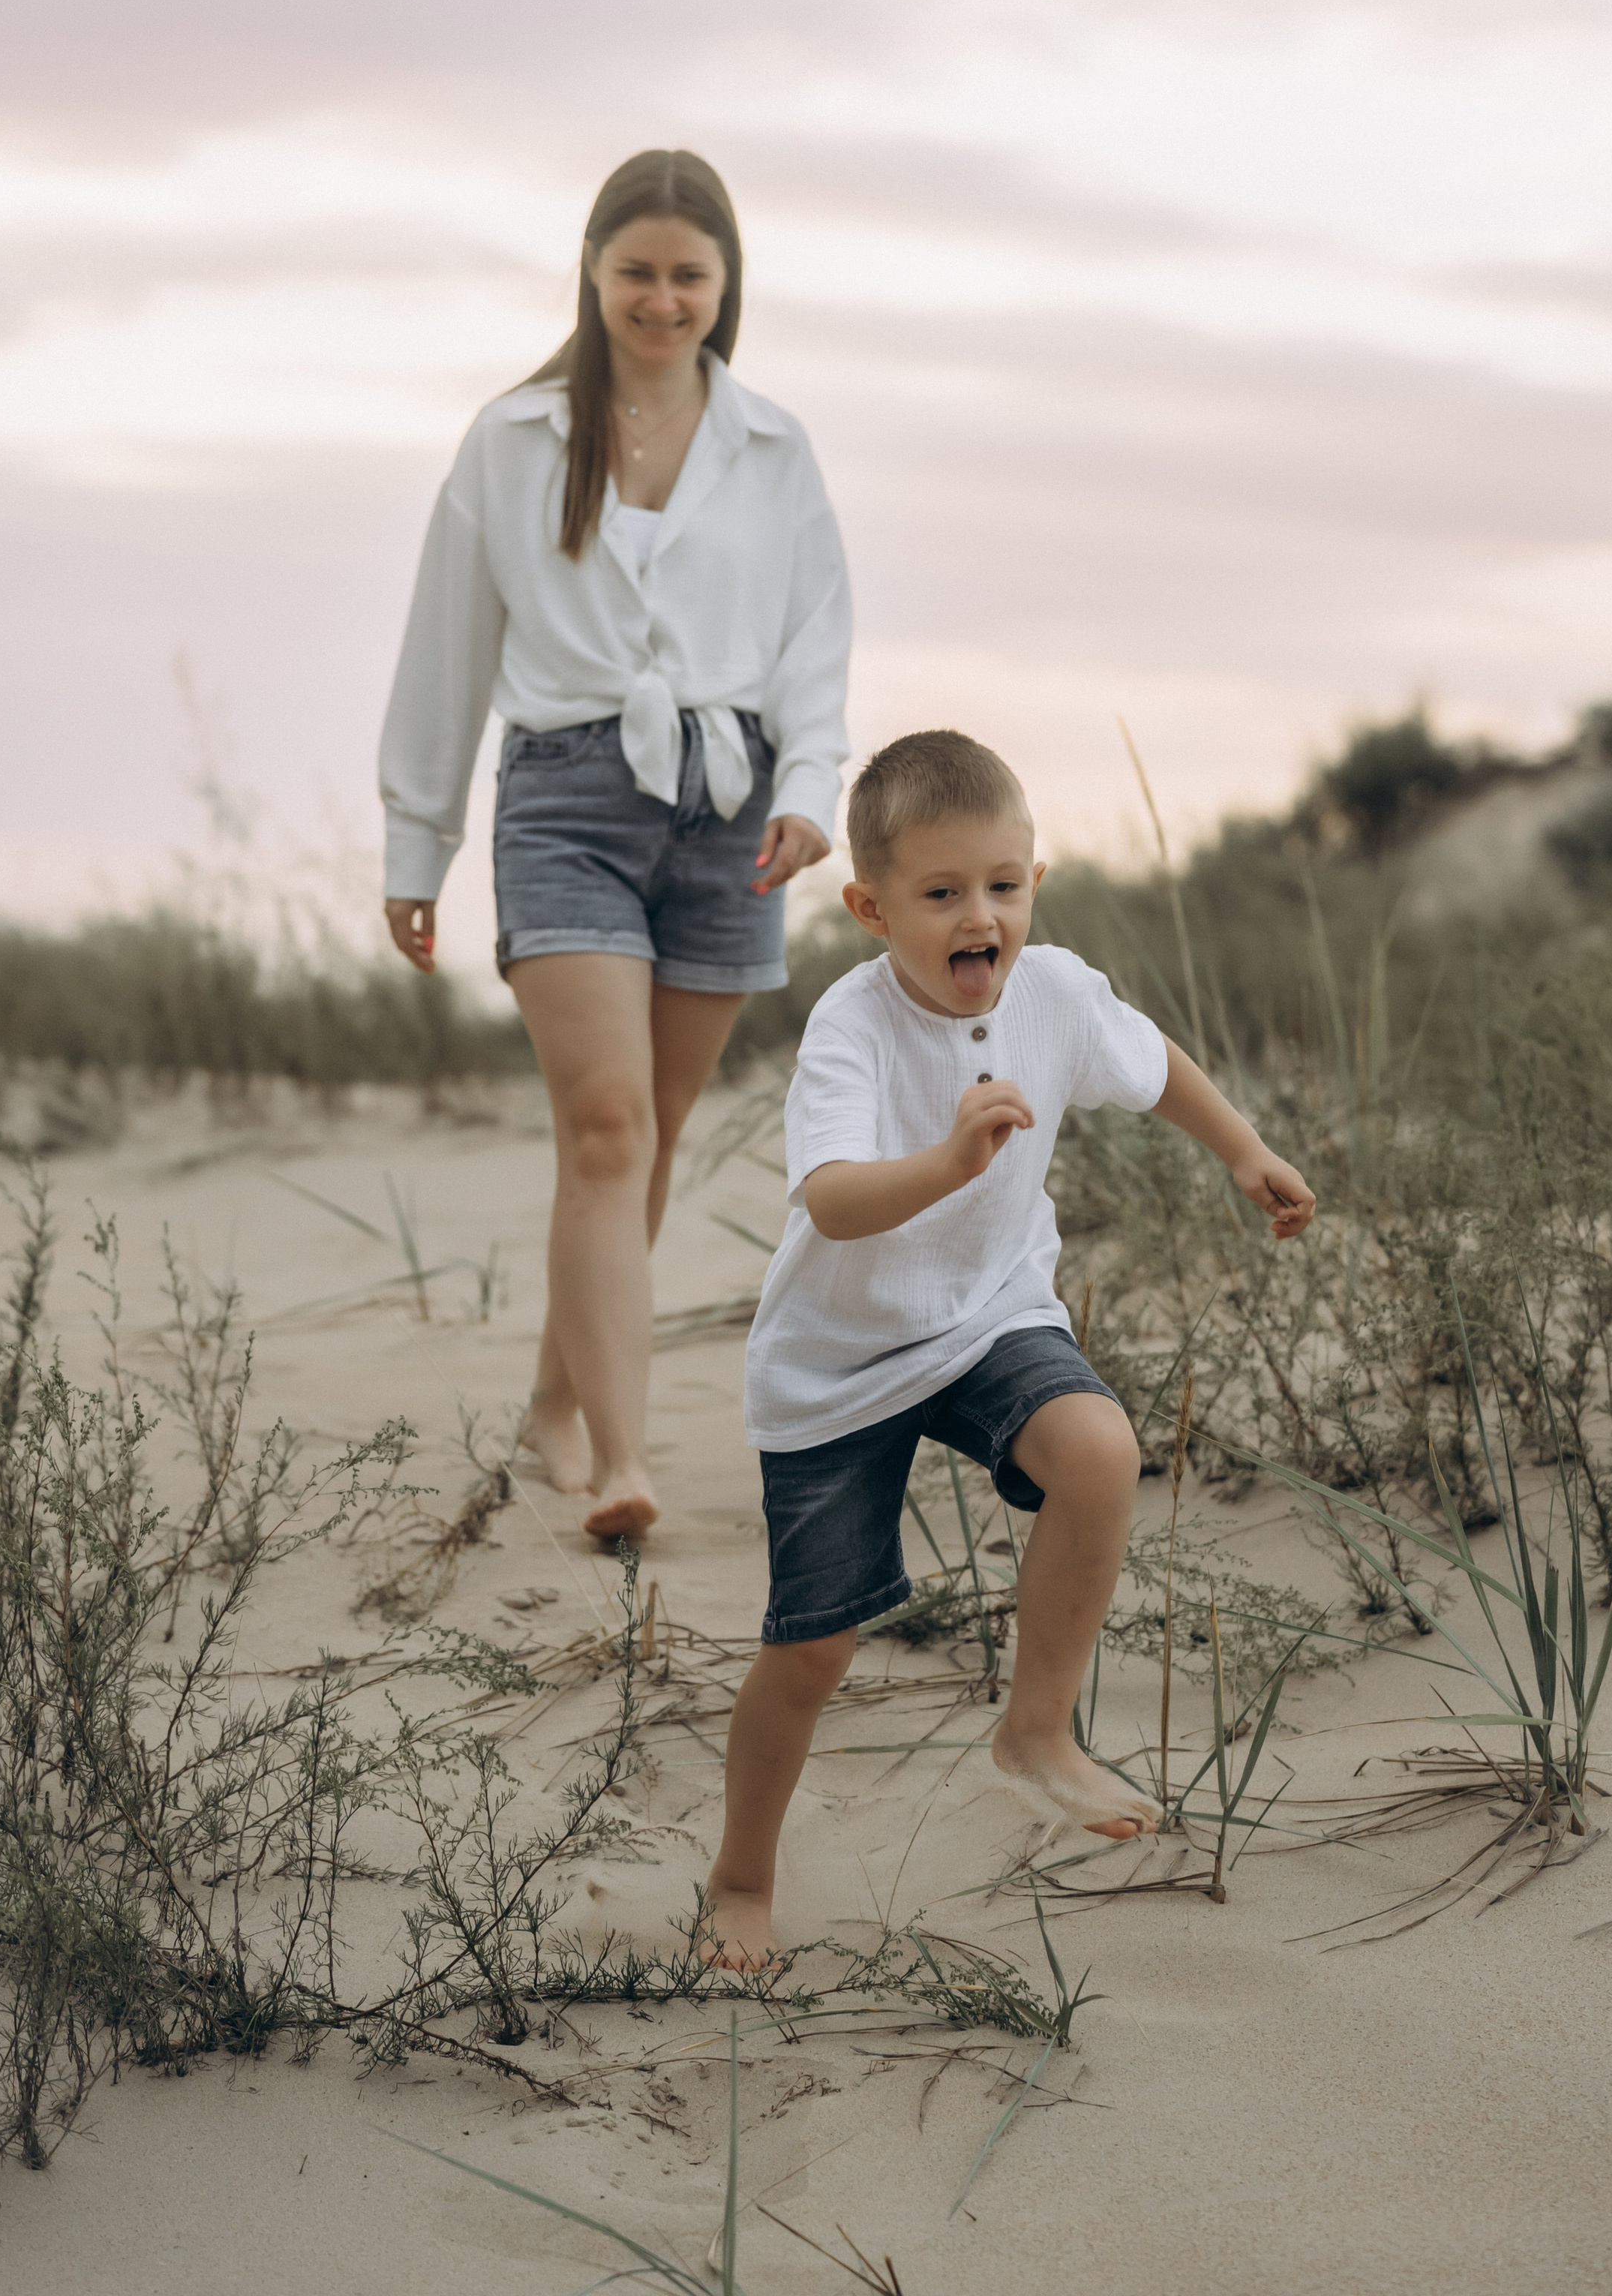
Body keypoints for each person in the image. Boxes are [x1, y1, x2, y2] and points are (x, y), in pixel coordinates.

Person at [701, 728, 1316, 1967]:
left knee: (1097, 1448)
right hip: (840, 1362)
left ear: (1036, 880)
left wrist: (1243, 1149)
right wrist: (949, 1160)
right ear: (873, 908)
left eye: (1005, 884)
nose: (980, 915)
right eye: (941, 894)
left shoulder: (1055, 993)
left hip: (990, 1314)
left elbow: (1155, 1068)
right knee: (814, 1646)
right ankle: (741, 1874)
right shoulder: (853, 1027)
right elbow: (830, 1201)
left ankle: (1037, 1731)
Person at [379, 150, 851, 1545]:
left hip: (730, 807)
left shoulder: (773, 447)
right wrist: (421, 844)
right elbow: (446, 650)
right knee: (603, 1126)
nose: (662, 298)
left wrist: (812, 786)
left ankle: (555, 1399)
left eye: (688, 275)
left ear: (726, 286)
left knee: (642, 1152)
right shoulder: (514, 438)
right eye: (637, 271)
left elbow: (818, 635)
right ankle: (625, 1460)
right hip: (567, 799)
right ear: (593, 271)